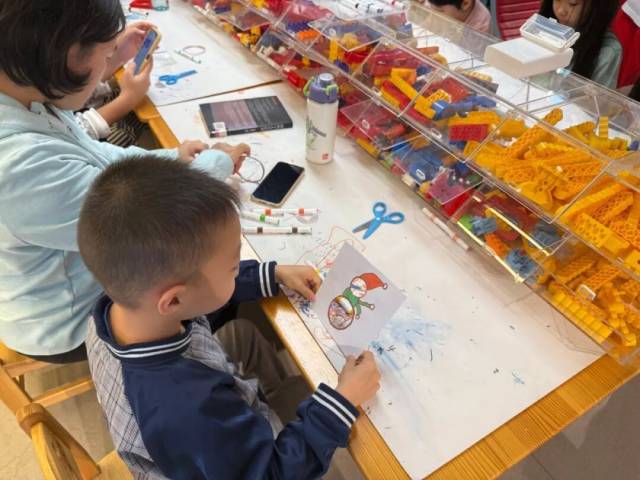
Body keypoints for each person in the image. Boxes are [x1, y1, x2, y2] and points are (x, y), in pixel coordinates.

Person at [78, 155, 382, 479]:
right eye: (234, 267)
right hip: (231, 459)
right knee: (321, 404)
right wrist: (341, 401)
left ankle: (273, 400)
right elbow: (271, 475)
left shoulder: (124, 304)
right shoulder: (187, 410)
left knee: (243, 334)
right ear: (174, 299)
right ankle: (283, 405)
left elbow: (201, 288)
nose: (237, 271)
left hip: (204, 423)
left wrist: (272, 274)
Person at [0, 0, 242, 361]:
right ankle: (199, 365)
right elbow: (145, 223)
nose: (108, 68)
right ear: (67, 55)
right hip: (65, 322)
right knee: (214, 285)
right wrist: (216, 163)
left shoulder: (24, 91)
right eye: (107, 55)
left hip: (63, 273)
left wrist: (174, 160)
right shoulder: (20, 165)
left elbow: (96, 156)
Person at [539, 0, 622, 89]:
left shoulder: (608, 51)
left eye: (572, 4)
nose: (561, 11)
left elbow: (598, 96)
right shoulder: (543, 27)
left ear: (597, 7)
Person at [427, 0, 492, 34]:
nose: (433, 14)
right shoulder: (438, 4)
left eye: (439, 11)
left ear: (465, 4)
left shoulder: (481, 25)